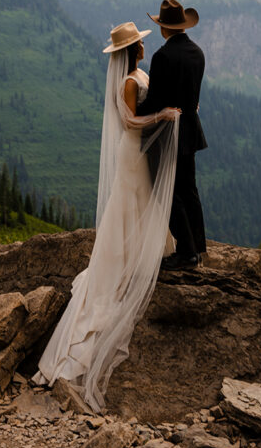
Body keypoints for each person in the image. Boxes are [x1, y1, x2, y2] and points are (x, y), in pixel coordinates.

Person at [32, 21, 180, 412]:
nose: (144, 48)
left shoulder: (138, 75)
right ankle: (126, 263)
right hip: (133, 152)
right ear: (133, 51)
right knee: (129, 205)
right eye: (139, 45)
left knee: (135, 205)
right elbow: (130, 121)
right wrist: (162, 116)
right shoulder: (129, 83)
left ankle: (133, 253)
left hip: (138, 154)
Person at [136, 0, 207, 270]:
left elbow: (155, 102)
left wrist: (133, 109)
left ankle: (186, 252)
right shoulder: (197, 52)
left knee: (167, 192)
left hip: (169, 132)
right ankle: (197, 248)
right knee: (189, 189)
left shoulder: (163, 57)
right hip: (191, 128)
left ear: (165, 28)